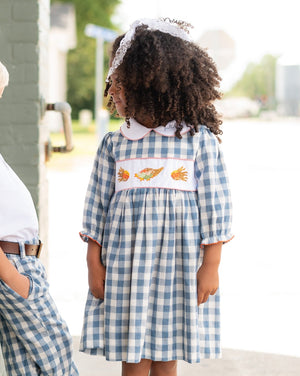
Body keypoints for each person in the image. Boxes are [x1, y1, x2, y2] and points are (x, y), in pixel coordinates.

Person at [79, 18, 233, 376]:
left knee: (167, 355)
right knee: (132, 357)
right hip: (125, 266)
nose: (112, 91)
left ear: (150, 85)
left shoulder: (197, 142)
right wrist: (93, 262)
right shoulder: (115, 144)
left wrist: (211, 266)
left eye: (119, 83)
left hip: (177, 267)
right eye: (111, 83)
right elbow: (96, 207)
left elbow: (217, 207)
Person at [0, 61, 79, 376]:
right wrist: (13, 278)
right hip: (13, 262)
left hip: (16, 261)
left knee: (26, 363)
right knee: (55, 345)